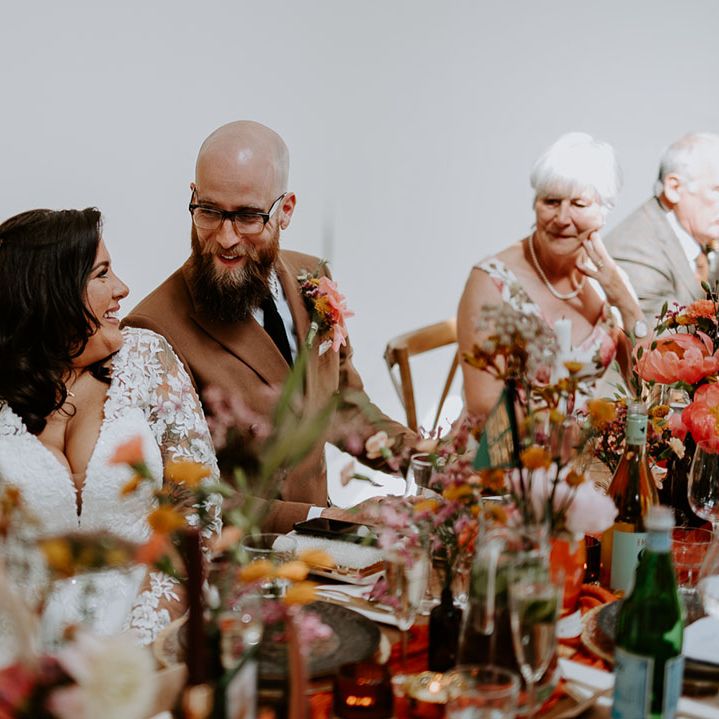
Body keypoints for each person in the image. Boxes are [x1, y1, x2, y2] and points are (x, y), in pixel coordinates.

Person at [123, 120, 415, 533]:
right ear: (192, 198)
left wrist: (428, 461)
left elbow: (342, 405)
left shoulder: (311, 275)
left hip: (327, 550)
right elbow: (187, 494)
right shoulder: (152, 331)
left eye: (247, 217)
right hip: (240, 566)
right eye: (208, 211)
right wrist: (328, 519)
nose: (226, 238)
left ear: (286, 210)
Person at [0, 208, 220, 658]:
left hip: (150, 639)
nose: (122, 288)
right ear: (51, 292)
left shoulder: (146, 357)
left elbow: (198, 509)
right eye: (102, 273)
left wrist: (141, 645)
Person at [457, 132, 645, 423]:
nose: (562, 218)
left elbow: (645, 389)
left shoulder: (608, 280)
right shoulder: (492, 282)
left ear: (603, 212)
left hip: (577, 457)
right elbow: (484, 407)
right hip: (498, 456)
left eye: (579, 205)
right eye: (551, 201)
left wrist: (627, 304)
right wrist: (574, 441)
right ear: (535, 204)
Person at [605, 132, 719, 323]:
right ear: (674, 189)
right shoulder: (635, 251)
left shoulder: (702, 232)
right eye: (717, 190)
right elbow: (670, 344)